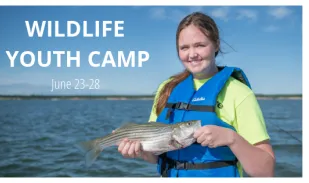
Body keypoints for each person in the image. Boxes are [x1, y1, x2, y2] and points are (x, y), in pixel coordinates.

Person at [117, 11, 275, 177]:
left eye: (200, 45)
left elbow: (266, 172)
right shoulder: (167, 88)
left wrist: (232, 138)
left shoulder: (239, 93)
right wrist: (139, 151)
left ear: (216, 44)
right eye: (184, 47)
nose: (192, 54)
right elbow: (155, 157)